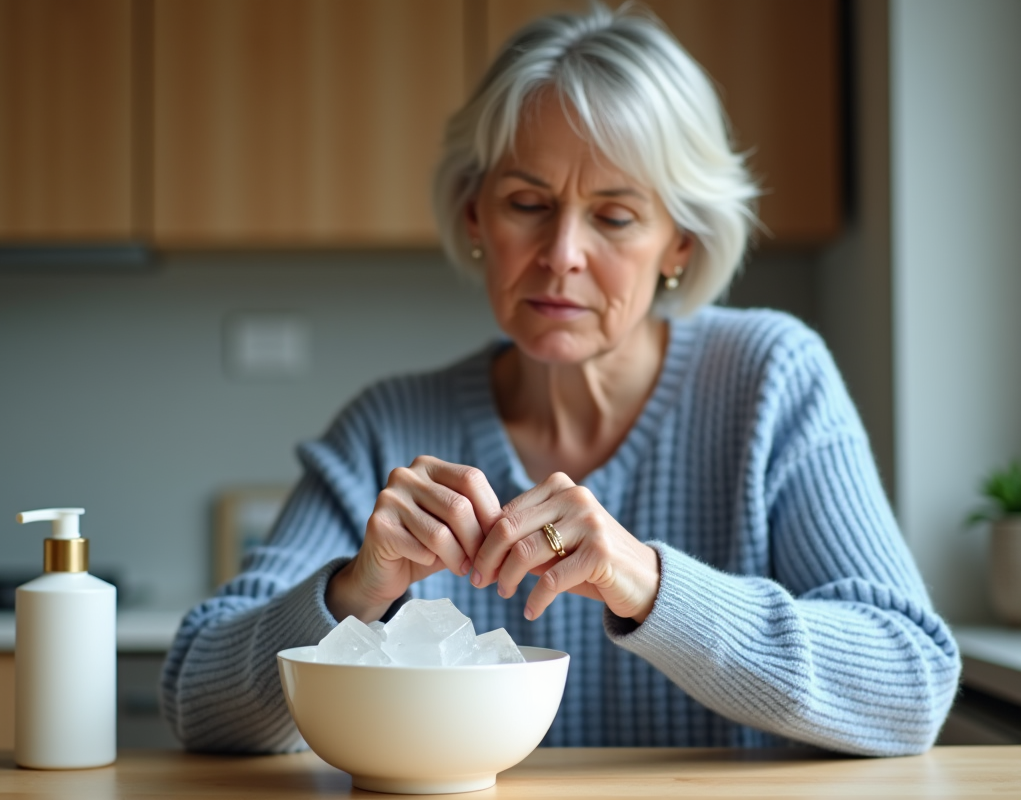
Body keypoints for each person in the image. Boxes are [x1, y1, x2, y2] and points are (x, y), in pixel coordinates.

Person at [161, 6, 958, 756]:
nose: (562, 253)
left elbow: (912, 685)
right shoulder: (390, 428)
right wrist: (353, 592)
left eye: (614, 216)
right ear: (476, 218)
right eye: (527, 203)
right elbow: (198, 701)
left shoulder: (771, 381)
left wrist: (644, 584)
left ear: (680, 242)